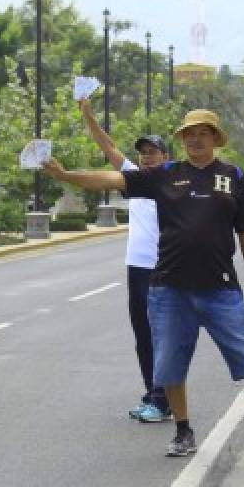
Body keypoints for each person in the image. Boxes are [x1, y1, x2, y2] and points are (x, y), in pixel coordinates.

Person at [44, 108, 244, 458]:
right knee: (170, 363)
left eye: (203, 133)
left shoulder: (232, 176)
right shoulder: (166, 175)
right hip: (170, 289)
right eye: (189, 133)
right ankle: (183, 430)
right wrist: (66, 175)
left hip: (220, 289)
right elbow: (112, 179)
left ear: (215, 138)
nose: (195, 138)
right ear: (182, 139)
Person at [78, 97, 171, 423]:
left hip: (164, 266)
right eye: (143, 152)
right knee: (142, 333)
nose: (147, 157)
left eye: (153, 152)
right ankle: (153, 394)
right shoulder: (133, 176)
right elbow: (108, 146)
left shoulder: (174, 181)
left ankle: (163, 399)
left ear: (166, 156)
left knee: (161, 332)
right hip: (137, 266)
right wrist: (89, 116)